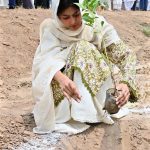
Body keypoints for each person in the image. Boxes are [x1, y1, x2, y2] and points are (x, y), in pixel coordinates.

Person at [32, 0, 138, 134]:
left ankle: (95, 111)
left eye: (76, 15)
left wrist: (125, 83)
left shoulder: (96, 25)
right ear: (57, 16)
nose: (72, 22)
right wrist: (60, 78)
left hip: (99, 96)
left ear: (82, 10)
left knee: (83, 46)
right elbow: (43, 62)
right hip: (66, 96)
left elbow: (125, 56)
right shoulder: (51, 30)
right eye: (66, 17)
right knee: (73, 52)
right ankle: (75, 113)